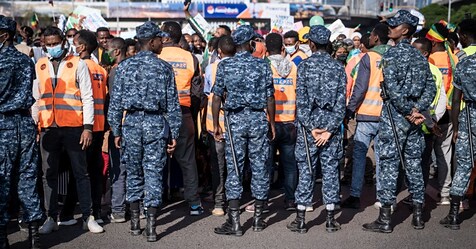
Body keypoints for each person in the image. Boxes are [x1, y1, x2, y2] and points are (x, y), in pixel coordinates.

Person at [108, 21, 182, 242]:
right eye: (160, 39)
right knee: (153, 173)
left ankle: (134, 223)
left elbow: (115, 103)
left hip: (131, 124)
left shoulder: (124, 67)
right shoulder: (164, 67)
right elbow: (172, 105)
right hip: (155, 124)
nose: (162, 42)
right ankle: (151, 225)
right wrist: (175, 133)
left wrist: (116, 130)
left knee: (133, 171)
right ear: (151, 42)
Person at [362, 10, 436, 233]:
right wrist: (417, 110)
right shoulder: (419, 56)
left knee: (388, 164)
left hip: (395, 117)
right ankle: (418, 215)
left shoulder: (392, 55)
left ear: (405, 30)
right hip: (413, 119)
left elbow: (392, 90)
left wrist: (407, 111)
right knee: (414, 163)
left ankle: (385, 219)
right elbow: (430, 88)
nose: (390, 28)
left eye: (394, 26)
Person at [33, 27, 104, 234]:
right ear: (44, 43)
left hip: (74, 127)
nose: (52, 47)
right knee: (49, 174)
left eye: (56, 43)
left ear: (64, 41)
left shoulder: (79, 64)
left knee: (81, 173)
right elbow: (37, 97)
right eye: (49, 44)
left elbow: (88, 97)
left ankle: (88, 217)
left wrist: (88, 128)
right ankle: (50, 217)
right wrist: (36, 124)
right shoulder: (41, 65)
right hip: (49, 127)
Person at [212, 25, 276, 236]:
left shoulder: (224, 65)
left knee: (235, 169)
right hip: (258, 119)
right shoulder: (262, 66)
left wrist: (215, 124)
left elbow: (217, 97)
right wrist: (272, 123)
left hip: (235, 121)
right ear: (250, 44)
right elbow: (270, 97)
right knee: (259, 167)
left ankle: (235, 222)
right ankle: (258, 219)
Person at [287, 25, 346, 234]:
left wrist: (312, 128)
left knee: (306, 170)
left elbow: (300, 103)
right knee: (330, 171)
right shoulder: (338, 67)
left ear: (311, 43)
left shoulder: (304, 66)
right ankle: (330, 220)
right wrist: (329, 130)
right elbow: (341, 104)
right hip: (330, 126)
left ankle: (301, 219)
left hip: (308, 128)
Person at [0, 15, 42, 249]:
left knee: (3, 181)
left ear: (4, 35)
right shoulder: (26, 61)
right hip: (25, 124)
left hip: (3, 125)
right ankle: (34, 236)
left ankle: (2, 237)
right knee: (28, 179)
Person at [341, 23, 391, 209]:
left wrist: (349, 110)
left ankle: (355, 195)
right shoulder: (394, 55)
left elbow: (360, 88)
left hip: (367, 114)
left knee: (359, 155)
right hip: (387, 116)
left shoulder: (368, 57)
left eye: (370, 37)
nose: (367, 39)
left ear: (376, 38)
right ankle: (382, 198)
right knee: (383, 157)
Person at [159, 21, 204, 215]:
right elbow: (197, 93)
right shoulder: (190, 58)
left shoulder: (156, 55)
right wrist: (191, 116)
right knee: (187, 160)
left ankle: (153, 203)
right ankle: (194, 203)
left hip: (158, 115)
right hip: (183, 112)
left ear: (165, 37)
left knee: (155, 159)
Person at [72, 29, 109, 223]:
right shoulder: (100, 69)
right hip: (99, 126)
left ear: (83, 46)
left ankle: (81, 214)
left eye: (75, 42)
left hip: (82, 126)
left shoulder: (79, 66)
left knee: (80, 172)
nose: (73, 45)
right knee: (95, 172)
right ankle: (96, 212)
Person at [440, 51, 476, 230]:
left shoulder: (465, 63)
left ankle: (453, 215)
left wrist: (455, 127)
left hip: (470, 118)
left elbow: (456, 99)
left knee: (463, 166)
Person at [203, 35, 236, 216]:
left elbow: (209, 93)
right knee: (235, 164)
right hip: (236, 125)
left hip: (215, 124)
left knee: (218, 164)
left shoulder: (211, 68)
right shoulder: (241, 68)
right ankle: (233, 201)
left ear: (219, 52)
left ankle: (219, 203)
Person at [265, 33, 298, 211]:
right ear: (283, 48)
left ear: (266, 48)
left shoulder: (264, 66)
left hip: (269, 123)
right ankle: (290, 200)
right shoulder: (293, 66)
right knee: (290, 164)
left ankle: (263, 200)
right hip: (289, 122)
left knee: (266, 163)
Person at [412, 37, 448, 200]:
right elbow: (442, 100)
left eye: (415, 50)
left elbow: (441, 97)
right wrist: (434, 119)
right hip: (425, 123)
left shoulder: (418, 70)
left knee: (420, 162)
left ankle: (417, 196)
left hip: (420, 124)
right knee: (420, 162)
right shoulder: (434, 71)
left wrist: (432, 120)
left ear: (425, 53)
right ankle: (417, 196)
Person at [105, 37, 127, 223]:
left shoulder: (115, 72)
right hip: (137, 125)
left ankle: (118, 210)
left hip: (121, 125)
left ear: (117, 51)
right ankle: (140, 208)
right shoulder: (133, 68)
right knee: (136, 169)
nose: (107, 53)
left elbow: (114, 103)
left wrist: (114, 129)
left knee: (118, 169)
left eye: (109, 50)